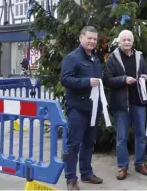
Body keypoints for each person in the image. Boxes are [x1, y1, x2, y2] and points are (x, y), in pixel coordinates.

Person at [104, 30, 147, 180]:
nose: (126, 42)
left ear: (133, 42)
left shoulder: (139, 56)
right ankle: (123, 167)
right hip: (121, 104)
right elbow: (107, 79)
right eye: (124, 40)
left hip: (138, 102)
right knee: (121, 138)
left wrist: (144, 77)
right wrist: (123, 79)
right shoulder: (113, 58)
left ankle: (140, 163)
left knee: (141, 135)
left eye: (129, 40)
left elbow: (145, 72)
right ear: (119, 42)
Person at [61, 26, 103, 191]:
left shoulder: (95, 59)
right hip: (77, 109)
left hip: (92, 109)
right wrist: (86, 82)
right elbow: (65, 80)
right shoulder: (72, 58)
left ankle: (86, 173)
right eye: (89, 38)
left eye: (94, 39)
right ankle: (71, 179)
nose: (92, 41)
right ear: (81, 38)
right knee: (73, 145)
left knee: (88, 143)